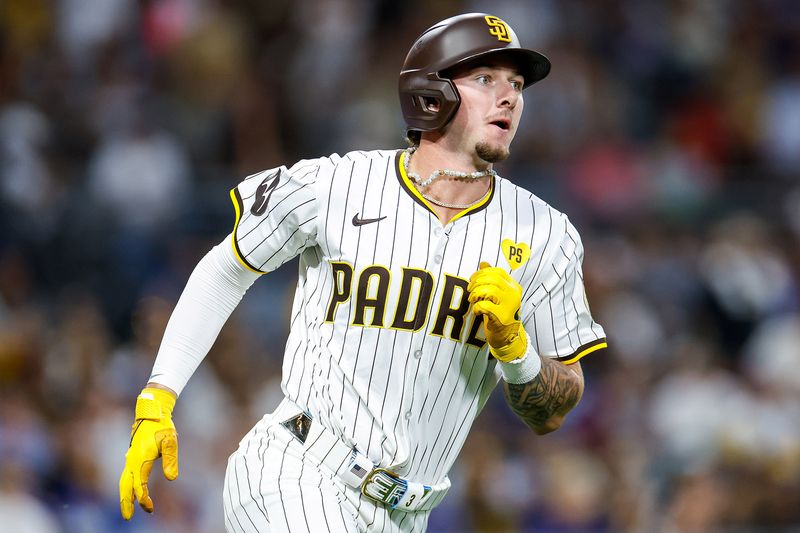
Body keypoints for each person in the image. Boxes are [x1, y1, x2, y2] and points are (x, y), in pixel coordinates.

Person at [119, 12, 608, 532]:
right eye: (485, 79)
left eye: (516, 83)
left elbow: (550, 413)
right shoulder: (338, 183)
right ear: (429, 93)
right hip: (298, 469)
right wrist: (159, 393)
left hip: (407, 513)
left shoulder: (547, 234)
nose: (509, 96)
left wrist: (516, 351)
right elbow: (226, 269)